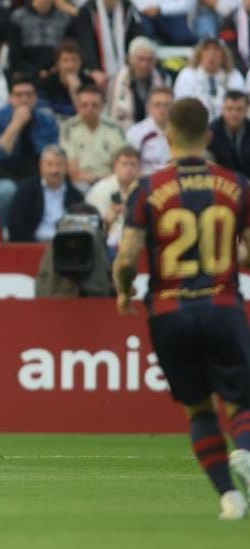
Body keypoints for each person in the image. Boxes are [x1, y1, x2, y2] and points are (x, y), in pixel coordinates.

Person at [113, 97, 250, 520]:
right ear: (209, 136)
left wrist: (122, 292)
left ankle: (230, 499)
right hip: (223, 306)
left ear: (168, 135)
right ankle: (244, 451)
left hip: (169, 313)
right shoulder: (236, 184)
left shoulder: (148, 189)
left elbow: (126, 257)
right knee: (242, 402)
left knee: (197, 409)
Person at [0, 75, 60, 227]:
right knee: (7, 190)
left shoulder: (47, 121)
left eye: (29, 95)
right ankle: (5, 231)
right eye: (19, 95)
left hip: (36, 173)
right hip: (2, 174)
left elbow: (54, 153)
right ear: (11, 98)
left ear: (36, 97)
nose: (24, 99)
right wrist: (15, 125)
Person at [8, 145, 84, 242]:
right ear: (41, 166)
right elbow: (15, 226)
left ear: (66, 167)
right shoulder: (26, 191)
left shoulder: (76, 195)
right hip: (33, 247)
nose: (54, 170)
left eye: (59, 164)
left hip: (65, 248)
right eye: (49, 164)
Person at [66, 0, 145, 89]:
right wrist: (93, 69)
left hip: (125, 69)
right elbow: (86, 42)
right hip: (96, 68)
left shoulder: (128, 8)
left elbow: (137, 38)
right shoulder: (89, 9)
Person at [60, 84, 126, 189]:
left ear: (102, 106)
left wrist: (105, 182)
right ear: (77, 106)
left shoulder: (115, 128)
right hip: (79, 184)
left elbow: (123, 164)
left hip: (111, 183)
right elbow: (72, 171)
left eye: (94, 105)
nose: (89, 109)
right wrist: (96, 180)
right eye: (84, 105)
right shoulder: (68, 128)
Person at [173, 37, 246, 121]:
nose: (211, 54)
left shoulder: (234, 75)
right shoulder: (187, 75)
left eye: (216, 49)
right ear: (199, 54)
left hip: (226, 125)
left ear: (223, 55)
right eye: (207, 49)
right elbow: (182, 105)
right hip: (195, 124)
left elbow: (239, 103)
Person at [85, 145, 142, 250]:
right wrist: (107, 221)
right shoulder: (100, 190)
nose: (129, 169)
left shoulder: (146, 189)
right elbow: (91, 228)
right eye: (124, 164)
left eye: (133, 164)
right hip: (105, 245)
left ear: (140, 168)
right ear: (115, 166)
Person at [107, 36, 167, 131]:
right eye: (140, 59)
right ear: (130, 59)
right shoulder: (116, 80)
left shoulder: (163, 80)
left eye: (149, 60)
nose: (144, 65)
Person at [7, 0, 72, 79]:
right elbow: (15, 55)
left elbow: (69, 48)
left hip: (56, 72)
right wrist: (35, 72)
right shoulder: (18, 17)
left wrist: (57, 67)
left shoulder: (64, 17)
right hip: (27, 73)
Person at [39, 39, 94, 119]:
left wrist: (75, 92)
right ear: (58, 64)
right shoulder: (47, 83)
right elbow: (44, 109)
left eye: (74, 60)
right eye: (65, 61)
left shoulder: (89, 82)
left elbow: (88, 114)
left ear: (80, 62)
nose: (70, 66)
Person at [126, 86, 173, 175]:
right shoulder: (135, 133)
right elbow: (130, 165)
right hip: (147, 182)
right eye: (157, 105)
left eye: (167, 105)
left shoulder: (181, 132)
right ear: (148, 107)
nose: (162, 109)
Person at [207, 90, 250, 178]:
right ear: (222, 110)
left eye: (239, 109)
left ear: (246, 110)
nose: (234, 114)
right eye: (230, 109)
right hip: (221, 184)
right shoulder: (211, 132)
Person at [134, 0, 199, 46]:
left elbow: (188, 4)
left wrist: (160, 9)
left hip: (171, 14)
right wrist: (143, 8)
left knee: (185, 38)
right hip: (142, 14)